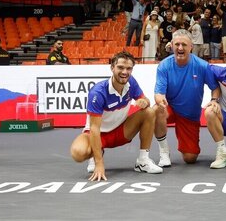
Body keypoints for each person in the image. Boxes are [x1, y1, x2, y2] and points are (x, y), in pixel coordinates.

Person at [70, 51, 163, 181]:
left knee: (149, 112)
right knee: (78, 153)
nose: (124, 72)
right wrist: (99, 163)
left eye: (128, 68)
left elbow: (145, 100)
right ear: (112, 67)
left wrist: (144, 102)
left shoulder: (131, 82)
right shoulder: (98, 92)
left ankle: (143, 161)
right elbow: (95, 129)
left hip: (121, 131)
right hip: (97, 134)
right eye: (120, 67)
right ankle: (96, 154)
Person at [154, 29, 221, 168]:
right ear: (171, 45)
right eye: (177, 44)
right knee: (156, 110)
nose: (180, 48)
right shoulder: (164, 66)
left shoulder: (202, 66)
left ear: (191, 46)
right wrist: (160, 100)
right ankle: (164, 153)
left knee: (190, 158)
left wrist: (214, 100)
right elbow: (158, 93)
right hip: (170, 109)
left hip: (190, 116)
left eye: (184, 45)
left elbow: (215, 88)